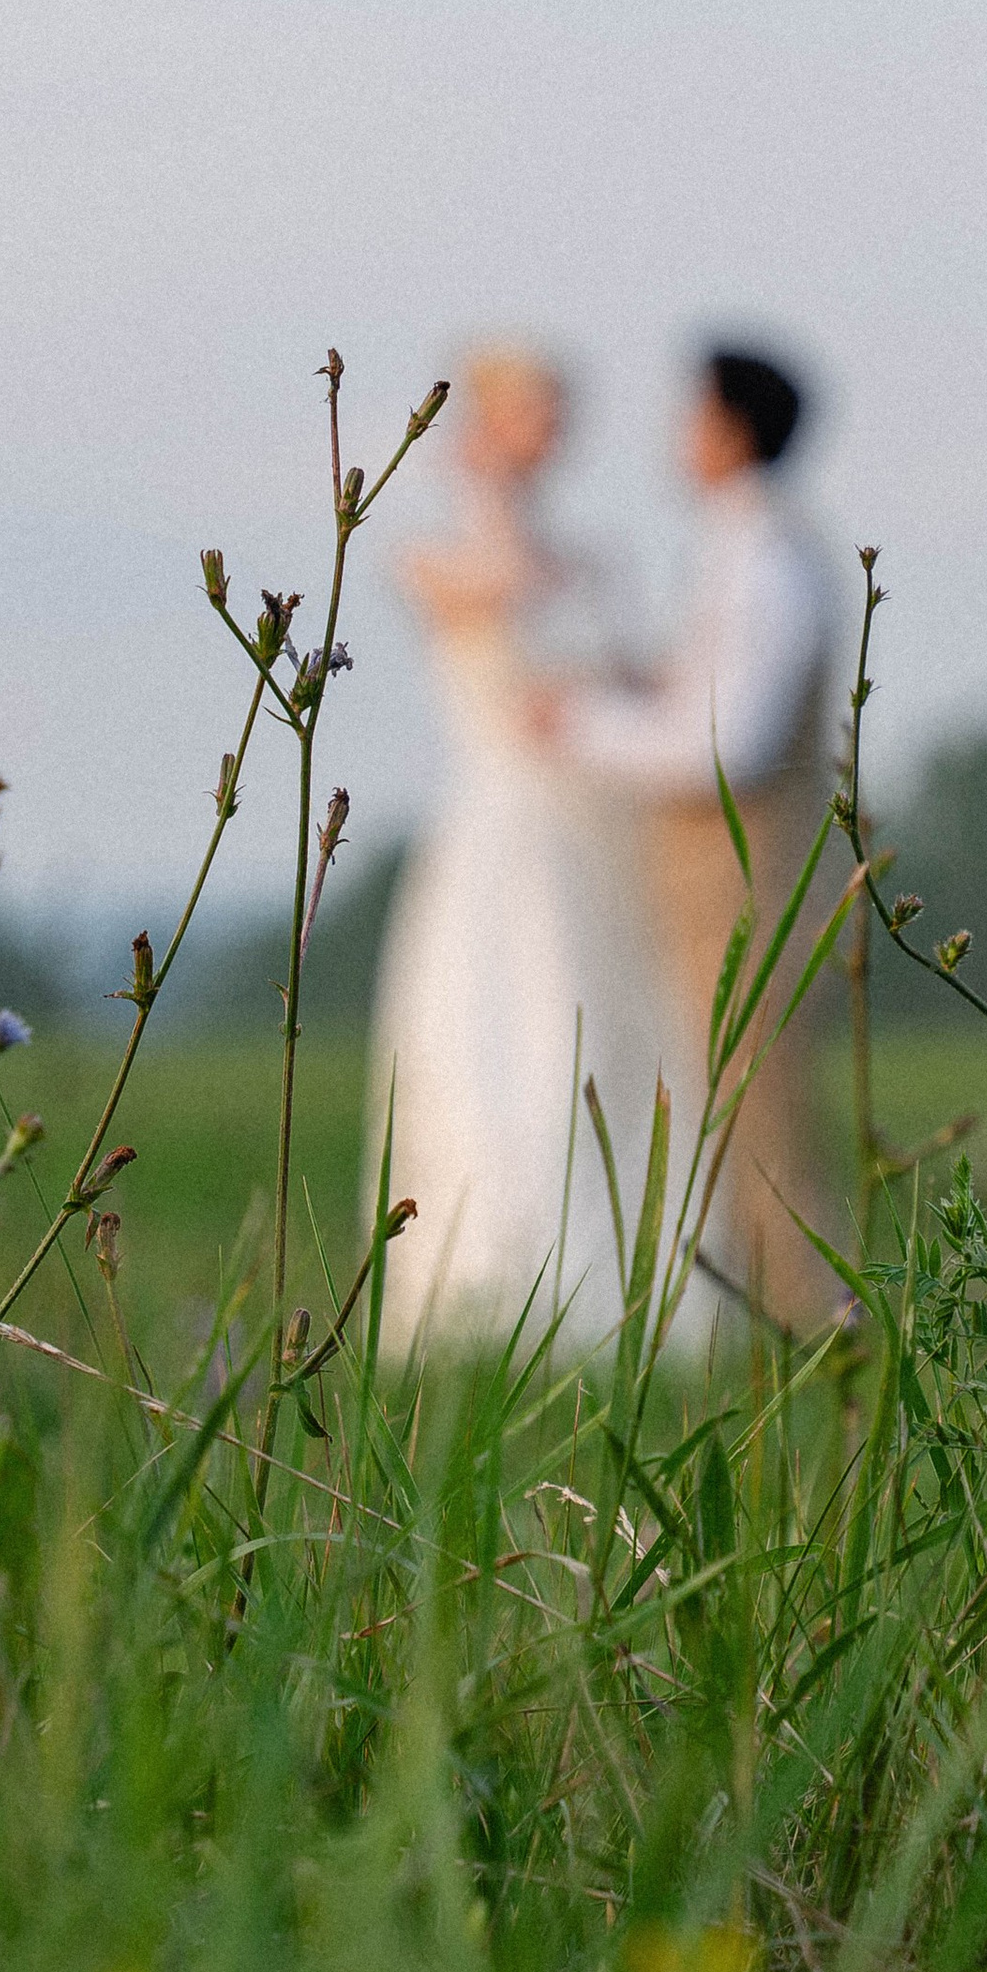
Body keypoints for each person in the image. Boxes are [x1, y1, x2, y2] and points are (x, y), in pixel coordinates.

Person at [366, 347, 661, 1347]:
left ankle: (610, 1287)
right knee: (497, 1046)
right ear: (484, 426)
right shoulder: (431, 556)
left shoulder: (588, 558)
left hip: (596, 833)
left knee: (606, 1040)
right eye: (536, 414)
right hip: (498, 831)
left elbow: (631, 685)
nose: (552, 436)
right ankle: (487, 1282)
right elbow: (494, 619)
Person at [547, 343, 843, 1332]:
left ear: (731, 427)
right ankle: (774, 1330)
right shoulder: (738, 551)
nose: (677, 433)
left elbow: (727, 745)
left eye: (692, 412)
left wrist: (579, 724)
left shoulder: (769, 562)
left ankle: (819, 1329)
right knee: (727, 1107)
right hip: (706, 878)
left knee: (756, 1115)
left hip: (744, 878)